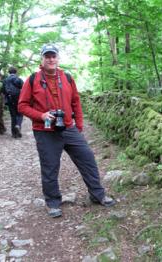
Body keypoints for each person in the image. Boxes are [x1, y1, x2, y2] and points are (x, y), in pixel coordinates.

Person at [18, 44, 115, 218]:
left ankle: (98, 195)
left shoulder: (67, 78)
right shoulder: (32, 79)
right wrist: (41, 115)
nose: (50, 59)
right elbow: (22, 106)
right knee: (50, 168)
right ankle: (53, 203)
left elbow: (76, 102)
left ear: (58, 58)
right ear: (42, 59)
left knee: (88, 159)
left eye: (53, 56)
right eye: (47, 56)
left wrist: (78, 125)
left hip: (69, 128)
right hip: (45, 130)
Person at [4, 66, 24, 138]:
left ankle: (14, 134)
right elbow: (24, 88)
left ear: (9, 72)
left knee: (13, 116)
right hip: (18, 99)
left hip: (9, 99)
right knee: (20, 114)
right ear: (16, 72)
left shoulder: (5, 80)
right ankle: (18, 125)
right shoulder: (18, 79)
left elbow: (4, 91)